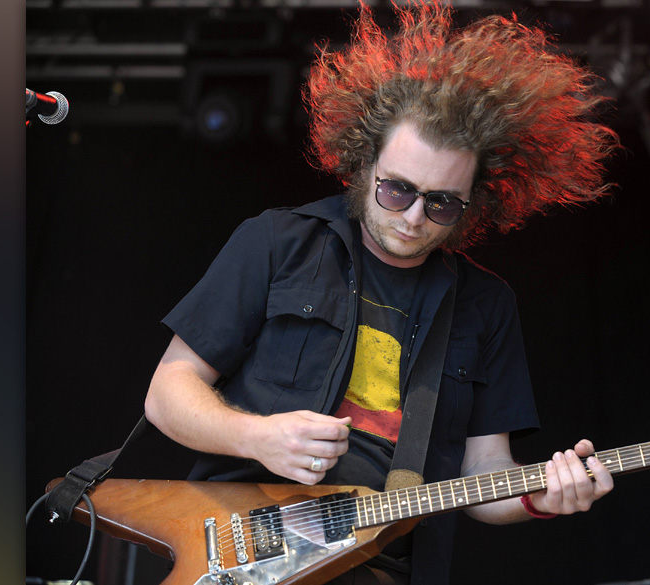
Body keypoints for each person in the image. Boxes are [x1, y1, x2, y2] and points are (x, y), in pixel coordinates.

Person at [143, 2, 620, 583]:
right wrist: (258, 437)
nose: (415, 217)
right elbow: (168, 394)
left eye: (441, 203)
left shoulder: (485, 305)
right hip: (245, 548)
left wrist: (537, 496)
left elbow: (483, 472)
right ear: (363, 164)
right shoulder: (278, 242)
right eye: (397, 190)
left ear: (473, 203)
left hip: (384, 567)